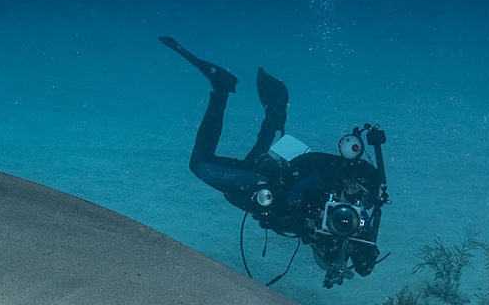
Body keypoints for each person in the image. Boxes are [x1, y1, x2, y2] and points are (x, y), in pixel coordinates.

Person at [159, 36, 389, 288]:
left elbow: (356, 248)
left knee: (246, 174)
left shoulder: (357, 224)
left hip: (277, 192)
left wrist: (364, 253)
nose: (343, 218)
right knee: (201, 165)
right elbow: (299, 182)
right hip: (272, 184)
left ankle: (273, 113)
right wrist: (280, 201)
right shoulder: (334, 189)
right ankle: (223, 89)